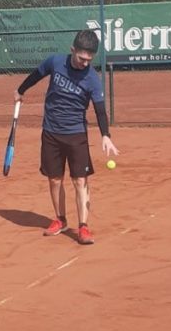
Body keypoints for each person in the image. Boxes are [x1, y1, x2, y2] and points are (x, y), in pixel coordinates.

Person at [14, 29, 119, 245]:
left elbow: (100, 110)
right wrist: (20, 91)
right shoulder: (55, 62)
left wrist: (105, 135)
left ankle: (83, 227)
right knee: (54, 179)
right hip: (51, 132)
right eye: (81, 58)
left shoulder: (92, 78)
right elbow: (36, 75)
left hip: (76, 135)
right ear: (73, 50)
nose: (85, 63)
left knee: (80, 180)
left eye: (89, 60)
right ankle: (60, 220)